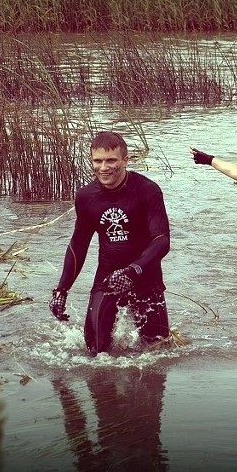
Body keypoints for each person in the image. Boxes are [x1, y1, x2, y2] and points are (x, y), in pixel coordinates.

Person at [49, 131, 173, 356]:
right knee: (95, 352)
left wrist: (132, 271)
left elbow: (162, 240)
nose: (103, 167)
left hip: (145, 276)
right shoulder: (87, 196)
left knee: (159, 351)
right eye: (98, 161)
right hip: (108, 275)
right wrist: (61, 290)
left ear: (125, 160)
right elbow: (78, 245)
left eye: (111, 161)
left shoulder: (147, 190)